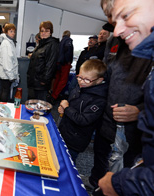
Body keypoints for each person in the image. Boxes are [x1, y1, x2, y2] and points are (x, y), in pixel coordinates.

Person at [88, 0, 153, 191]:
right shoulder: (113, 41)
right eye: (114, 21)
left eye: (125, 16)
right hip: (106, 120)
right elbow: (105, 76)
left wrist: (138, 111)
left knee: (125, 165)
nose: (117, 30)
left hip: (134, 131)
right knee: (100, 161)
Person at [58, 59, 108, 164]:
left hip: (75, 140)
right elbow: (71, 104)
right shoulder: (80, 87)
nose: (81, 81)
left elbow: (83, 120)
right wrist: (64, 109)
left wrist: (67, 108)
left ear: (99, 80)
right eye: (79, 77)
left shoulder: (98, 100)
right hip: (65, 132)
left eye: (87, 80)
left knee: (68, 164)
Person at [27, 21, 60, 101]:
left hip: (40, 83)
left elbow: (50, 64)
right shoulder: (42, 44)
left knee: (39, 107)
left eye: (46, 31)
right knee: (32, 104)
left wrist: (44, 80)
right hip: (34, 81)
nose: (43, 33)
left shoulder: (53, 44)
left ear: (50, 32)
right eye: (42, 31)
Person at [0, 23, 19, 102]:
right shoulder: (6, 44)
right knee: (5, 92)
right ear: (6, 32)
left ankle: (2, 109)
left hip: (6, 74)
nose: (13, 33)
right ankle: (3, 110)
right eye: (11, 31)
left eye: (14, 31)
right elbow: (7, 63)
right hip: (6, 75)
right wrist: (11, 76)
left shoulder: (10, 42)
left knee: (4, 91)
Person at [51, 30, 74, 100]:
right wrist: (68, 61)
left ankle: (52, 94)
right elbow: (68, 51)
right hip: (64, 64)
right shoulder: (68, 40)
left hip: (58, 63)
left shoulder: (60, 42)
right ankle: (55, 96)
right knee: (63, 81)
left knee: (57, 79)